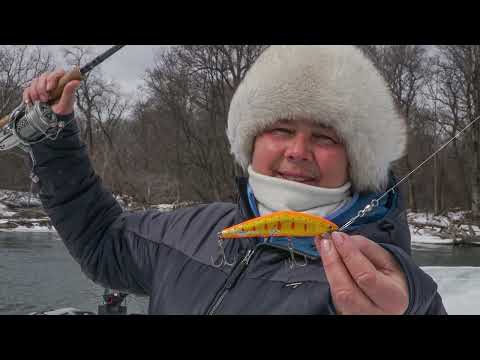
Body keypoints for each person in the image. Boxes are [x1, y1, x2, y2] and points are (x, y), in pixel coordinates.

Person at [23, 45, 446, 315]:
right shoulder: (192, 230)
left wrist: (414, 307)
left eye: (324, 137)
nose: (297, 151)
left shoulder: (383, 276)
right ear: (252, 140)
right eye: (280, 129)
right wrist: (53, 141)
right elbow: (103, 242)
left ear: (357, 159)